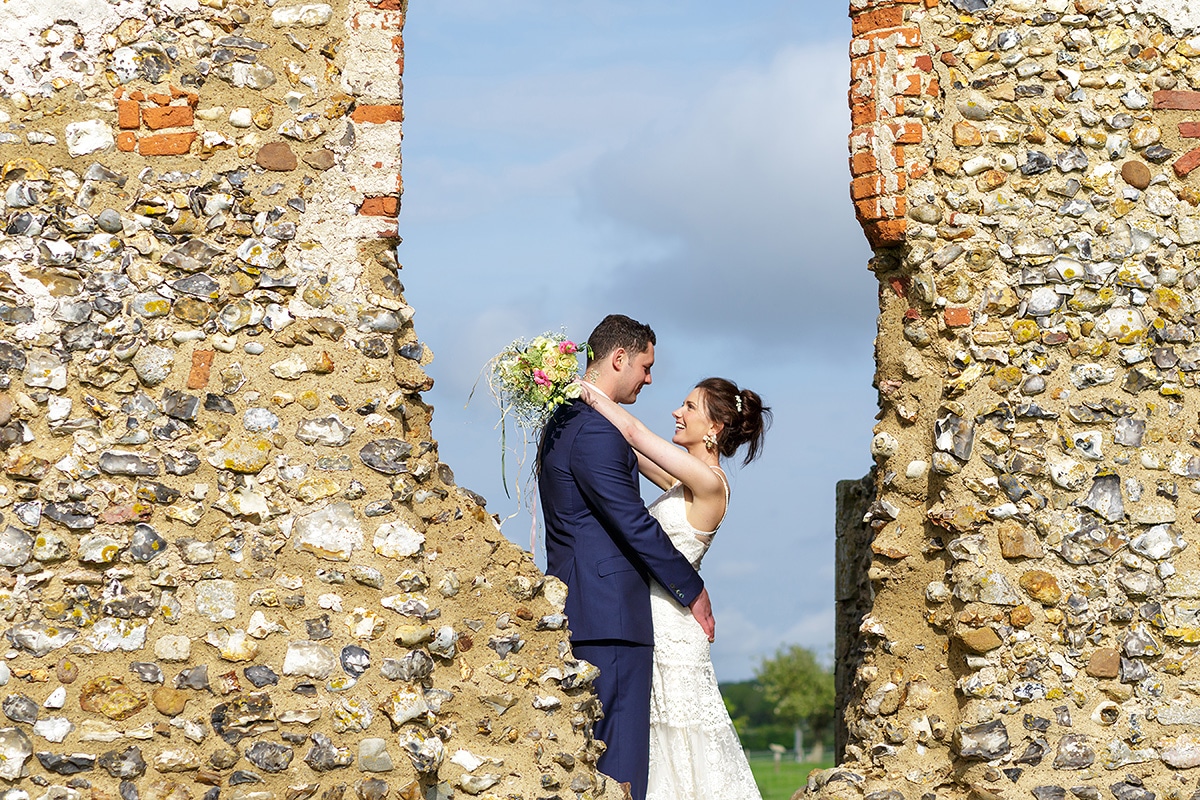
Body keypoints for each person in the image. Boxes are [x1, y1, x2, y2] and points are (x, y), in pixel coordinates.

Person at [538, 314, 715, 800]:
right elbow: (632, 521)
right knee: (619, 761)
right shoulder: (596, 432)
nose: (650, 378)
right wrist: (692, 588)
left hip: (588, 607)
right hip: (611, 615)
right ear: (619, 358)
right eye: (646, 366)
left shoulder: (565, 419)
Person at [578, 375, 771, 800]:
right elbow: (627, 448)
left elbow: (634, 432)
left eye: (689, 407)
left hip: (675, 632)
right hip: (654, 621)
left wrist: (582, 388)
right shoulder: (682, 483)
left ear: (714, 427)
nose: (676, 412)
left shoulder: (710, 484)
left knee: (683, 743)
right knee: (656, 741)